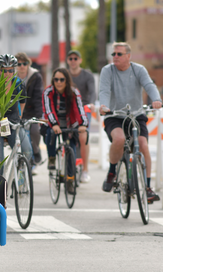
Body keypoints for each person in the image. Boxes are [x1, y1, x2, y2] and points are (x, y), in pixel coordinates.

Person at [99, 42, 163, 203]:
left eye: (119, 54)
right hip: (114, 115)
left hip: (136, 114)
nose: (115, 57)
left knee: (143, 145)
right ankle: (112, 172)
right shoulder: (108, 71)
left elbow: (149, 85)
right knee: (119, 139)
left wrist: (156, 99)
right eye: (113, 54)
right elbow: (104, 90)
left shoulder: (138, 69)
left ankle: (147, 188)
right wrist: (104, 106)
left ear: (128, 56)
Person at [42, 67, 88, 189]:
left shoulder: (74, 92)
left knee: (71, 148)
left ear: (67, 81)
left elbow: (78, 109)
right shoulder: (48, 92)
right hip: (53, 122)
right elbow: (48, 109)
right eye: (56, 79)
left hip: (69, 124)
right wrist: (54, 124)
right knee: (50, 134)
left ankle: (70, 179)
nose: (58, 82)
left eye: (62, 79)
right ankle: (52, 158)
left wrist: (83, 123)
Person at [65, 49, 96, 183]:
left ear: (80, 60)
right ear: (67, 61)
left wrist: (91, 104)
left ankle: (85, 170)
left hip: (83, 109)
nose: (73, 61)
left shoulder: (87, 75)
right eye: (70, 58)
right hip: (67, 109)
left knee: (84, 137)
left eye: (75, 58)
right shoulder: (64, 75)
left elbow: (92, 92)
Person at [15, 53, 44, 169]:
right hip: (17, 113)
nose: (22, 66)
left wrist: (37, 117)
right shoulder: (11, 77)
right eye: (19, 64)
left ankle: (36, 152)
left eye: (24, 63)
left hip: (32, 112)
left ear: (28, 64)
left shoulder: (36, 76)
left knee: (35, 131)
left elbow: (38, 97)